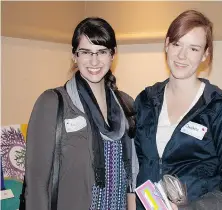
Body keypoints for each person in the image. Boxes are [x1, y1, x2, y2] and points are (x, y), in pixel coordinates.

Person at [24, 17, 137, 210]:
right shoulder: (53, 103)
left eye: (101, 52)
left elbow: (131, 176)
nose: (94, 61)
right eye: (86, 52)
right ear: (74, 55)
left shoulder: (125, 104)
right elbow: (36, 184)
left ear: (113, 55)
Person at [134, 10, 222, 209]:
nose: (182, 56)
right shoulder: (146, 101)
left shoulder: (219, 108)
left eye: (193, 48)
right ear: (167, 44)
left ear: (205, 54)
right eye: (177, 44)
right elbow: (137, 167)